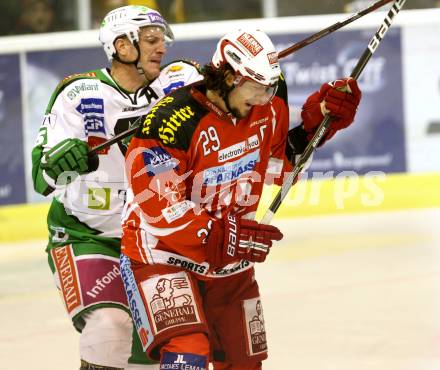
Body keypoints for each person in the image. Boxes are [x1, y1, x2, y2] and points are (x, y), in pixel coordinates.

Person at [119, 28, 361, 369]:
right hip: (160, 255)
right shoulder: (168, 124)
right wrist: (227, 235)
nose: (266, 97)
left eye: (271, 87)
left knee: (243, 362)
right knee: (187, 352)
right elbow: (161, 210)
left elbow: (276, 168)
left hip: (229, 261)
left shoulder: (268, 106)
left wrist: (317, 122)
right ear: (231, 77)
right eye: (259, 86)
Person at [31, 5, 202, 370]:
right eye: (151, 40)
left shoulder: (173, 91)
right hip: (86, 233)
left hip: (152, 241)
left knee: (161, 350)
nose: (161, 48)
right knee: (110, 327)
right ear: (122, 47)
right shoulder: (79, 93)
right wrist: (64, 163)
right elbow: (41, 179)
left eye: (163, 41)